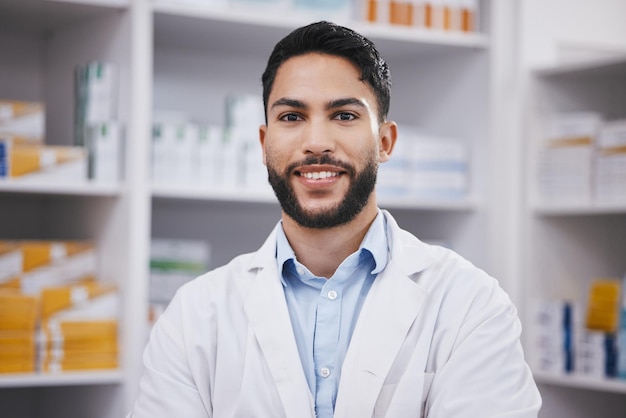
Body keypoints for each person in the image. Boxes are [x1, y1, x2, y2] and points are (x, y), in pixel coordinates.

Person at [129, 21, 541, 418]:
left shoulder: (470, 304)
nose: (317, 143)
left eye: (344, 115)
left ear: (384, 142)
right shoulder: (195, 316)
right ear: (263, 141)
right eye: (292, 117)